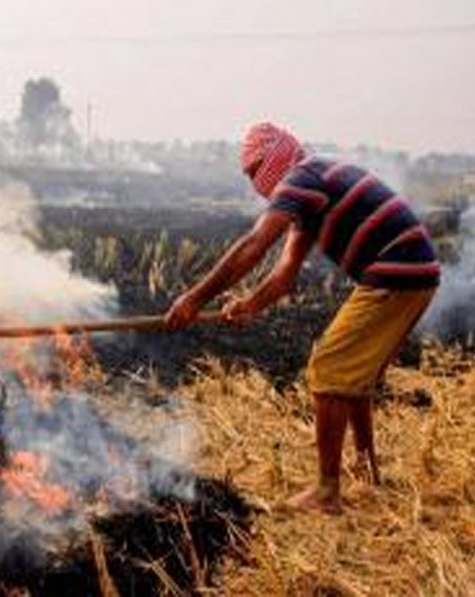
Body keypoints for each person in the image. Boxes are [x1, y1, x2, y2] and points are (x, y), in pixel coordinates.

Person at [164, 122, 439, 514]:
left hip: (397, 269)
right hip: (416, 271)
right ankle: (366, 471)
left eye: (255, 170)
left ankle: (327, 492)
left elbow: (254, 246)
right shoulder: (312, 189)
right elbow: (284, 273)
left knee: (328, 369)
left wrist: (193, 298)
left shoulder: (301, 176)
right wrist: (251, 304)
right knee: (356, 375)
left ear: (275, 156)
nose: (255, 182)